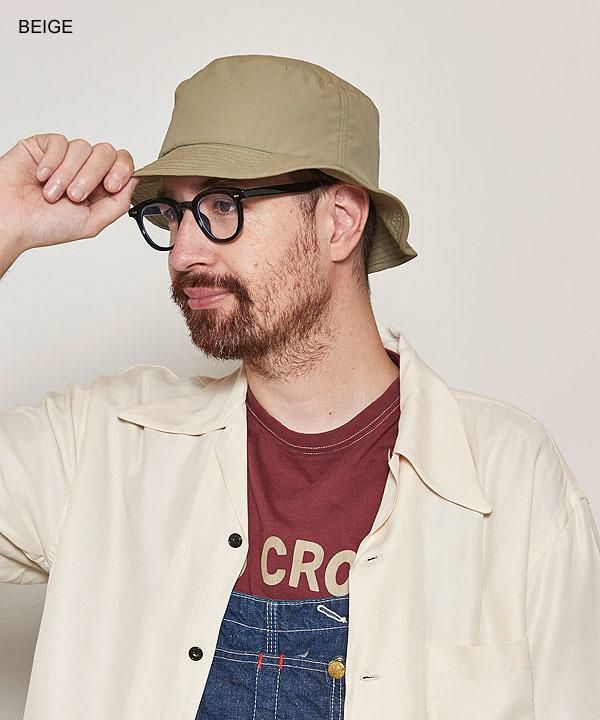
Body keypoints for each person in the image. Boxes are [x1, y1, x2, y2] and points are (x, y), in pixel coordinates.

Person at [0, 54, 598, 720]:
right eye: (172, 215)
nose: (184, 253)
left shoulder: (513, 482)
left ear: (338, 221)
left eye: (222, 205)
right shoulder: (103, 444)